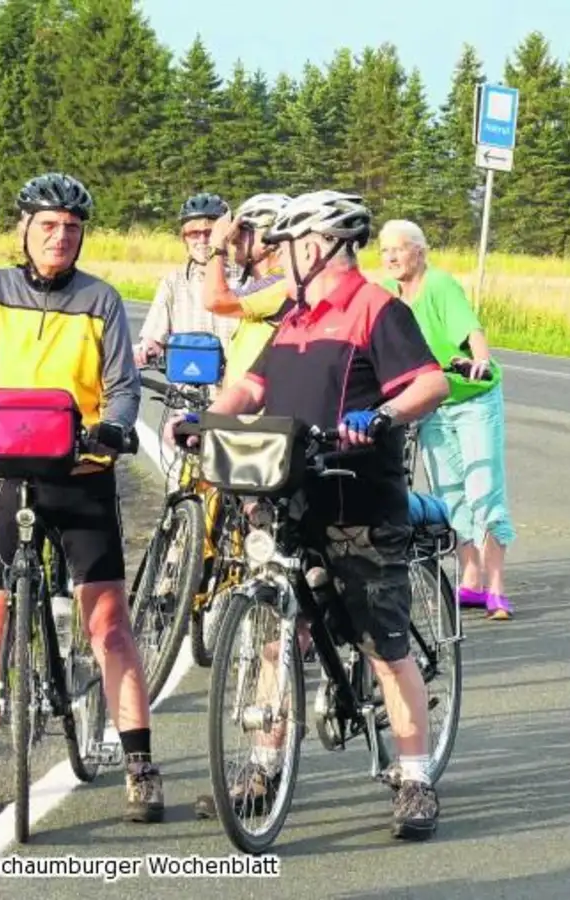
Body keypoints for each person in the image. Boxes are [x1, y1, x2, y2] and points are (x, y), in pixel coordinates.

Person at [170, 190, 451, 840]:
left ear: (318, 246)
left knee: (383, 642)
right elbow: (255, 387)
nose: (278, 255)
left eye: (288, 244)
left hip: (359, 500)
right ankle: (262, 766)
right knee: (278, 634)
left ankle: (413, 775)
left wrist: (381, 415)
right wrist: (209, 417)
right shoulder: (293, 317)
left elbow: (430, 382)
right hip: (292, 493)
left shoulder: (375, 308)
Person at [0, 172, 165, 824]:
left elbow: (124, 385)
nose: (60, 237)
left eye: (72, 228)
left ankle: (139, 763)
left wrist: (114, 427)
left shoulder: (101, 299)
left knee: (109, 627)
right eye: (48, 225)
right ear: (23, 229)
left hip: (81, 476)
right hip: (8, 476)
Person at [378, 219, 516, 621]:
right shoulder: (387, 293)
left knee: (482, 487)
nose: (390, 257)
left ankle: (496, 588)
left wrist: (481, 362)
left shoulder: (438, 285)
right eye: (384, 249)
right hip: (431, 399)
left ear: (419, 251)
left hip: (472, 397)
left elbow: (472, 331)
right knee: (450, 493)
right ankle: (469, 580)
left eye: (399, 248)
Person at [194, 192, 295, 389]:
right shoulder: (264, 284)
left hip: (263, 415)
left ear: (270, 238)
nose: (234, 237)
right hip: (242, 413)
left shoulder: (281, 283)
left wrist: (217, 245)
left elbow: (214, 300)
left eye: (244, 229)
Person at [134, 192, 244, 368]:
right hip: (187, 390)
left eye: (210, 232)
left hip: (236, 388)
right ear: (184, 238)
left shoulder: (245, 280)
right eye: (194, 234)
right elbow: (154, 337)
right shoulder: (173, 282)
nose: (202, 240)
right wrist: (146, 349)